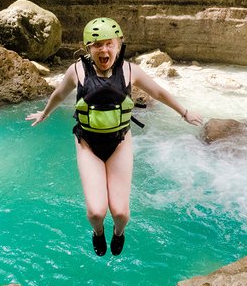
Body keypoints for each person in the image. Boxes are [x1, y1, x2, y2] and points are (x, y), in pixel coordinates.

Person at [26, 17, 203, 257]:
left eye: (109, 43)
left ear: (119, 45)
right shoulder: (77, 70)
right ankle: (98, 232)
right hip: (88, 144)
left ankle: (118, 234)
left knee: (121, 213)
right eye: (97, 44)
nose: (104, 49)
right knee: (96, 212)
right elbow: (59, 94)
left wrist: (185, 113)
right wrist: (45, 113)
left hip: (119, 142)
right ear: (88, 48)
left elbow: (159, 92)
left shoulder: (130, 71)